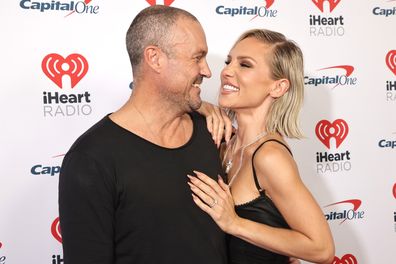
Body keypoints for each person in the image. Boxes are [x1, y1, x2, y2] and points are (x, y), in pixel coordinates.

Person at [58, 5, 231, 264]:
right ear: (155, 58)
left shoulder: (213, 131)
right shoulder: (92, 159)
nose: (207, 71)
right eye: (197, 57)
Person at [188, 29, 335, 264]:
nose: (226, 71)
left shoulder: (269, 156)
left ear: (278, 87)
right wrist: (204, 107)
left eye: (245, 65)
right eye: (229, 61)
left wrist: (234, 223)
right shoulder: (227, 141)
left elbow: (322, 249)